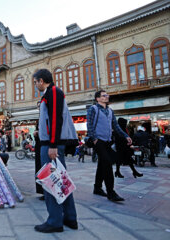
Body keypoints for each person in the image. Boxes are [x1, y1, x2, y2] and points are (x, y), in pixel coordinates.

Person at [34, 69, 78, 233]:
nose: (35, 85)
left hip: (51, 145)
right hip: (51, 142)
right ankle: (70, 218)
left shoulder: (53, 92)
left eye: (35, 82)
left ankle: (54, 221)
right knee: (61, 181)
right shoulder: (52, 93)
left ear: (41, 81)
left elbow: (55, 119)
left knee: (50, 182)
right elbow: (51, 119)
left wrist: (52, 144)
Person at [87, 90, 132, 202]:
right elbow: (90, 125)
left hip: (107, 141)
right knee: (107, 163)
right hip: (98, 141)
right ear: (98, 98)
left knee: (102, 164)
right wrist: (94, 139)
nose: (107, 97)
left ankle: (97, 188)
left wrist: (125, 136)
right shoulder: (93, 109)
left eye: (107, 95)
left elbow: (116, 126)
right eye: (104, 95)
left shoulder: (110, 111)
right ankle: (111, 192)